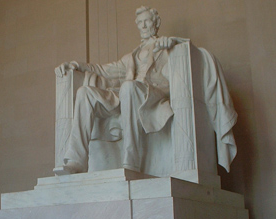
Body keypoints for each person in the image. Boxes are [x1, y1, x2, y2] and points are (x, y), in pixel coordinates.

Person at [55, 6, 182, 174]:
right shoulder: (130, 58)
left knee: (128, 87)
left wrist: (173, 43)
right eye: (140, 22)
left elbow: (188, 51)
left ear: (156, 23)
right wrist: (77, 65)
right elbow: (103, 69)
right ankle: (76, 161)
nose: (143, 26)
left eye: (147, 21)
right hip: (126, 96)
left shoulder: (168, 47)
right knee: (85, 93)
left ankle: (131, 160)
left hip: (152, 95)